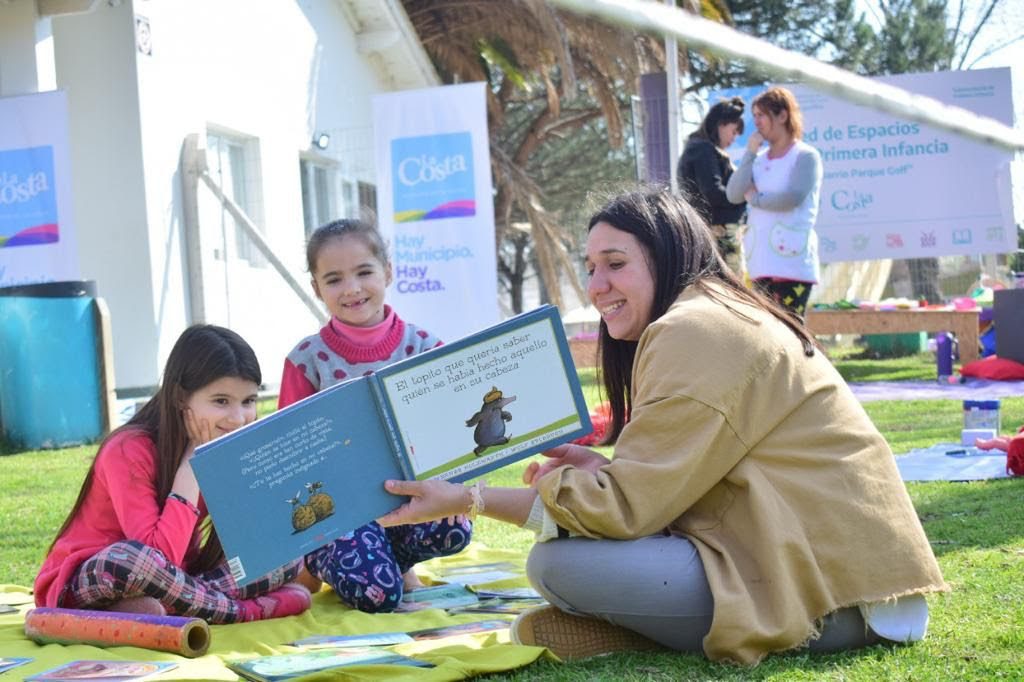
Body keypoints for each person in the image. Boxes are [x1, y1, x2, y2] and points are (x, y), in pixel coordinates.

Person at [376, 188, 947, 665]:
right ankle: (642, 632)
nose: (597, 285)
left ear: (667, 253)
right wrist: (606, 467)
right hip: (851, 585)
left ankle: (645, 632)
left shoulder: (696, 328)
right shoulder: (710, 313)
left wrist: (469, 496)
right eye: (591, 268)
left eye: (616, 264)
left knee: (556, 565)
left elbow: (624, 509)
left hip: (848, 604)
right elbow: (676, 481)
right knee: (570, 559)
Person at [34, 325, 312, 623]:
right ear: (181, 398)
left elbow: (245, 542)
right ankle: (239, 611)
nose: (238, 418)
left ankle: (177, 606)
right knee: (132, 559)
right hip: (99, 574)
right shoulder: (127, 449)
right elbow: (158, 556)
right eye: (221, 401)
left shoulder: (231, 445)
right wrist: (192, 463)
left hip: (177, 579)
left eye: (248, 401)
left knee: (285, 550)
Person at [279, 218, 472, 613]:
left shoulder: (426, 348)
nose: (351, 289)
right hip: (342, 513)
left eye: (364, 272)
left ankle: (397, 561)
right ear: (317, 289)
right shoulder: (305, 361)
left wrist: (453, 484)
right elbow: (289, 455)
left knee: (455, 527)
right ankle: (320, 562)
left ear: (388, 271)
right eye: (334, 279)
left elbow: (451, 432)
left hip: (408, 500)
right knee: (379, 595)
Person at [726, 86, 823, 318]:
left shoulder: (805, 156)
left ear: (782, 115)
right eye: (755, 115)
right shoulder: (757, 161)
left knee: (792, 329)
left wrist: (756, 199)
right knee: (768, 332)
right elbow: (733, 194)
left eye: (762, 115)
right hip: (760, 263)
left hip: (792, 264)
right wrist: (750, 153)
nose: (756, 122)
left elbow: (792, 197)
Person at [677, 96, 747, 273]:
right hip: (717, 231)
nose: (734, 138)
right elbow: (713, 192)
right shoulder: (704, 150)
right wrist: (744, 197)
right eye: (733, 131)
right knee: (730, 290)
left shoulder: (697, 148)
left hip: (706, 231)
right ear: (721, 124)